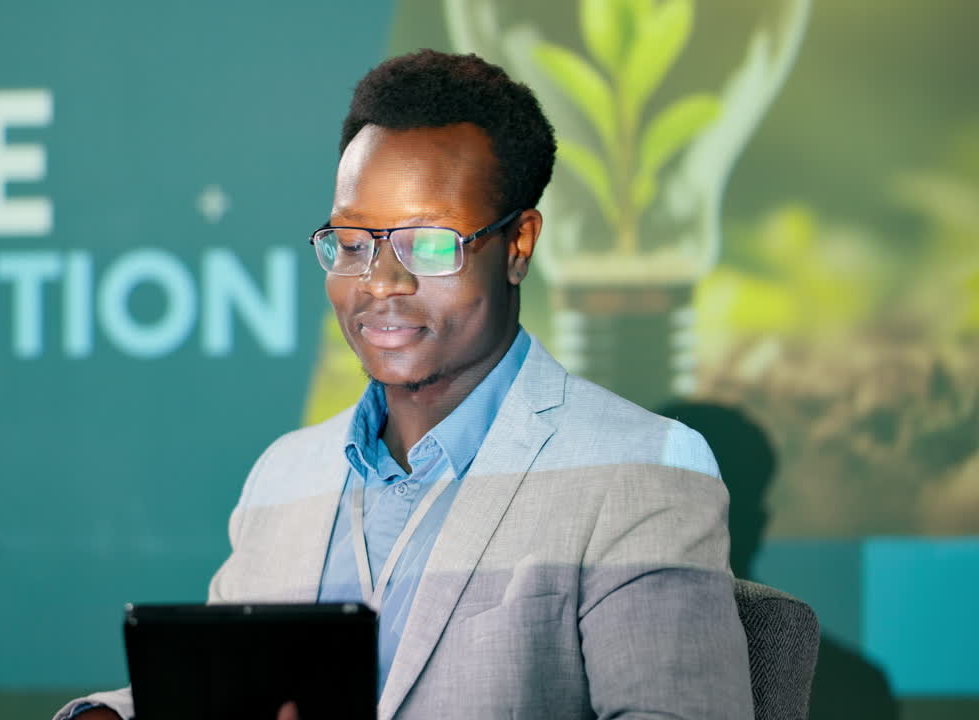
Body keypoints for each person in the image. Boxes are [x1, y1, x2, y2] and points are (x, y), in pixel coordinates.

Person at [56, 49, 751, 720]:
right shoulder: (285, 476)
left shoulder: (643, 469)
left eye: (432, 243)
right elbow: (224, 691)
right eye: (352, 243)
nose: (381, 282)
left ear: (518, 245)